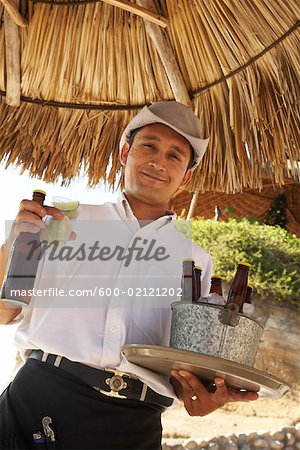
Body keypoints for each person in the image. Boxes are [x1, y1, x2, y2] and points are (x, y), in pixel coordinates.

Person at [0, 101, 258, 450]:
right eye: (148, 146)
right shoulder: (60, 224)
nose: (158, 161)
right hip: (37, 407)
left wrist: (202, 396)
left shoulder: (196, 261)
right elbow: (6, 312)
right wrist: (13, 243)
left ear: (187, 176)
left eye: (174, 156)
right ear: (125, 151)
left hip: (133, 427)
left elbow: (183, 363)